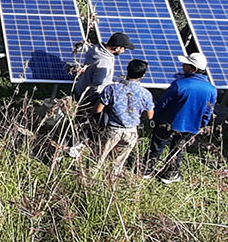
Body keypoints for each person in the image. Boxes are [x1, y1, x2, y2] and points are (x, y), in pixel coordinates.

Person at [147, 53, 217, 183]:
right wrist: (202, 124)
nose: (183, 66)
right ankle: (170, 173)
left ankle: (147, 169)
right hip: (191, 125)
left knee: (158, 145)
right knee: (178, 149)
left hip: (167, 121)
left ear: (193, 69)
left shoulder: (179, 85)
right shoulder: (211, 89)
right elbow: (209, 110)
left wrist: (154, 117)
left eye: (186, 64)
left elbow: (163, 103)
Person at [95, 58, 154, 177]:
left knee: (98, 158)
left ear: (127, 70)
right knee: (118, 162)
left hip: (112, 129)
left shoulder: (111, 89)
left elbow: (98, 109)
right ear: (143, 75)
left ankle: (91, 178)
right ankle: (112, 181)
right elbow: (150, 115)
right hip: (131, 131)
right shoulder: (145, 94)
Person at [71, 32, 133, 107]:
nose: (124, 51)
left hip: (80, 88)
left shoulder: (95, 49)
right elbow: (98, 84)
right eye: (124, 48)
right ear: (117, 48)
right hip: (89, 99)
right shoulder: (104, 63)